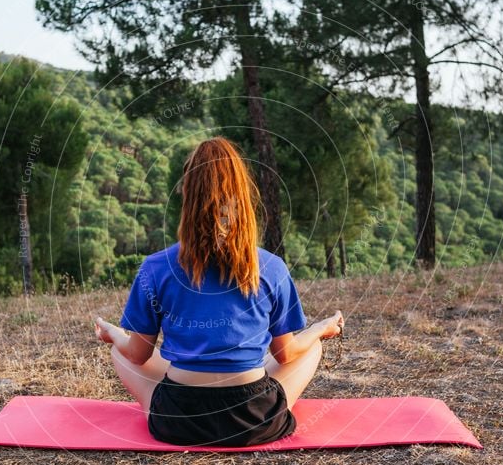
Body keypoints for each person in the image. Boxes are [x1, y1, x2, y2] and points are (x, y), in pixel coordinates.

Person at [95, 136, 344, 447]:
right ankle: (276, 408)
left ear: (187, 193)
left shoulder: (155, 267)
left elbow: (137, 354)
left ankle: (153, 410)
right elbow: (286, 353)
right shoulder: (270, 267)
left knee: (122, 348)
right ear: (241, 197)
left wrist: (113, 333)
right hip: (253, 421)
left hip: (179, 423)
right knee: (309, 348)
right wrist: (321, 329)